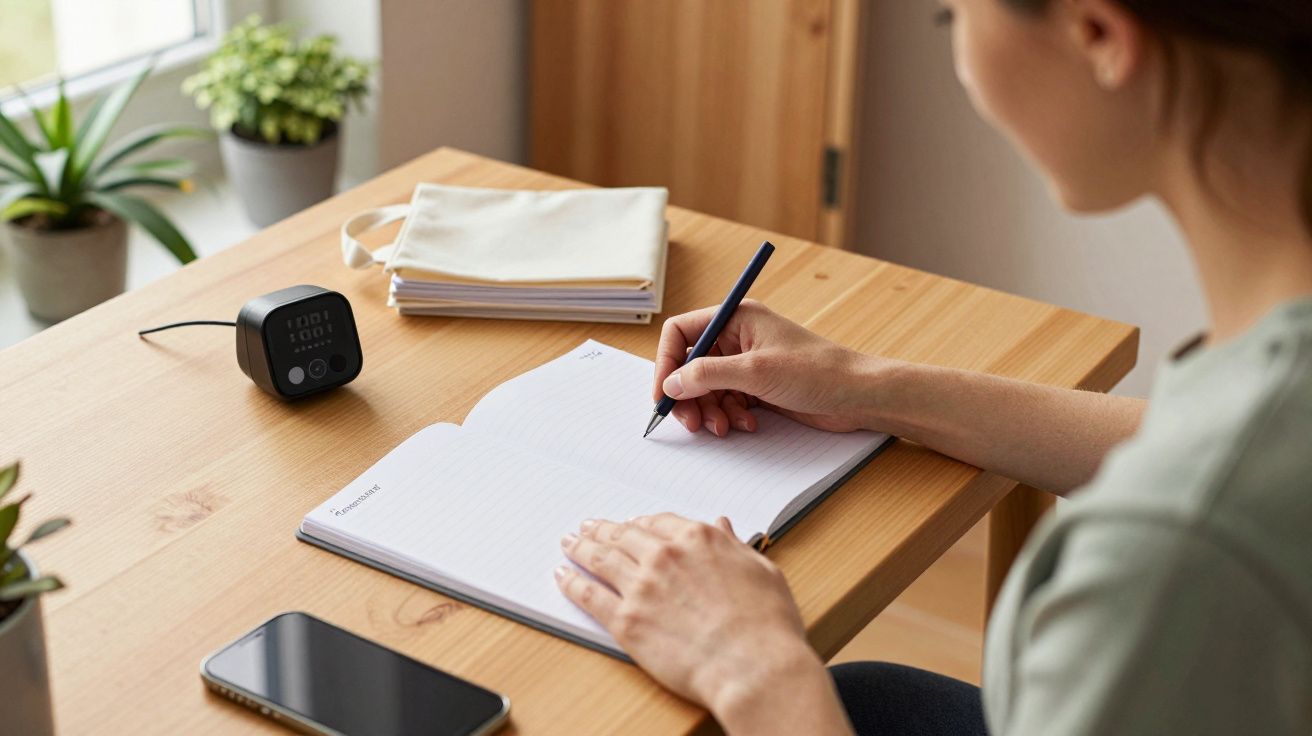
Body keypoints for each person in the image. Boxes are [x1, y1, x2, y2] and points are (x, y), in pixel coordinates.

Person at [552, 0, 1312, 733]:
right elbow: (1209, 447)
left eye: (955, 15)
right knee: (872, 701)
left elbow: (1208, 489)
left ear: (1098, 33)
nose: (964, 64)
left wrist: (754, 668)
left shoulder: (1175, 554)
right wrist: (865, 387)